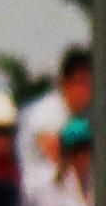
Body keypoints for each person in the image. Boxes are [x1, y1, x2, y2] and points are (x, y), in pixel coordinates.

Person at [19, 47, 95, 189]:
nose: (86, 89)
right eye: (81, 82)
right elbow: (57, 157)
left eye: (90, 83)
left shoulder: (88, 115)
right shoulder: (46, 112)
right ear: (65, 83)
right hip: (38, 191)